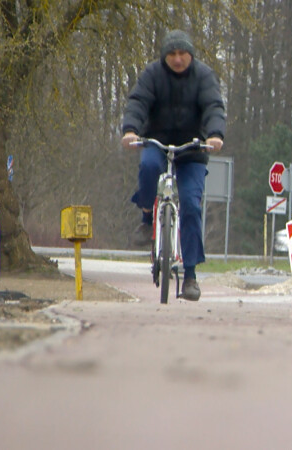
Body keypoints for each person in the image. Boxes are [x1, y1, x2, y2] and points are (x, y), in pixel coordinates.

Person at [121, 30, 226, 301]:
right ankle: (147, 217)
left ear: (191, 54)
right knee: (148, 167)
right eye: (172, 54)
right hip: (157, 140)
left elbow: (214, 106)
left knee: (191, 204)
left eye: (182, 54)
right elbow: (138, 102)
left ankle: (190, 276)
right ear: (164, 56)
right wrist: (131, 129)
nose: (178, 59)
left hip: (192, 148)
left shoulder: (204, 76)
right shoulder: (153, 74)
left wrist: (215, 135)